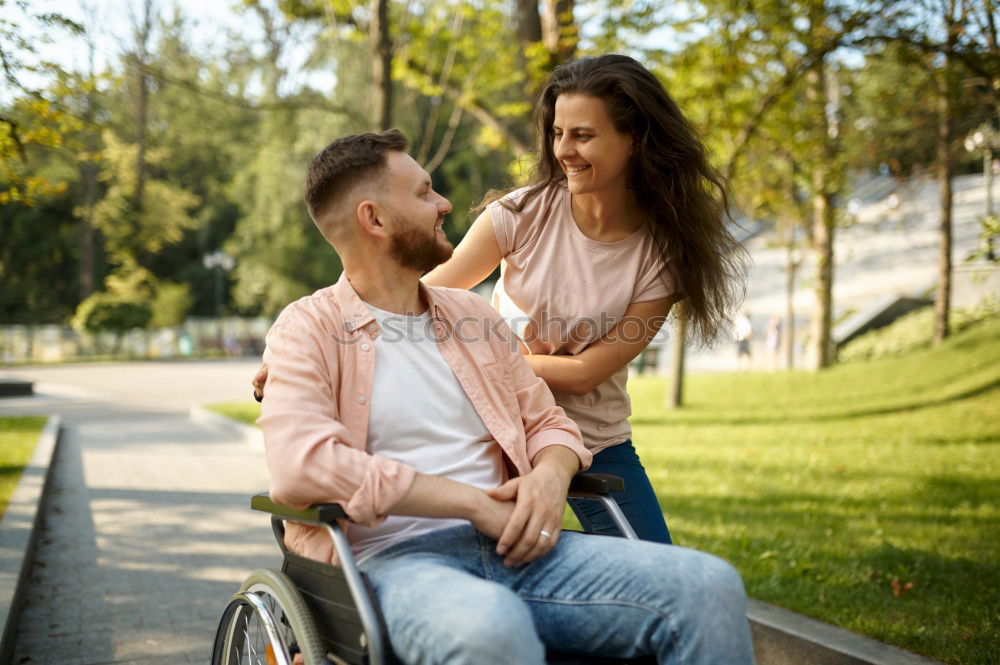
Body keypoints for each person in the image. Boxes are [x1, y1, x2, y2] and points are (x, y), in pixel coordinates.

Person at [258, 130, 755, 664]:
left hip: (521, 549)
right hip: (392, 563)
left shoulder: (473, 317)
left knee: (708, 585)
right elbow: (302, 468)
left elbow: (550, 424)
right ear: (373, 219)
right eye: (425, 193)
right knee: (491, 628)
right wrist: (470, 503)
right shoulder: (307, 328)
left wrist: (549, 477)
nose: (445, 203)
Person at [255, 54, 748, 545]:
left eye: (583, 135)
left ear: (634, 139)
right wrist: (306, 345)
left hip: (595, 438)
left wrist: (495, 357)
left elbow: (587, 373)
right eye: (558, 133)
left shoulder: (661, 253)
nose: (564, 150)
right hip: (498, 431)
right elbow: (410, 293)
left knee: (656, 564)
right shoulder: (521, 213)